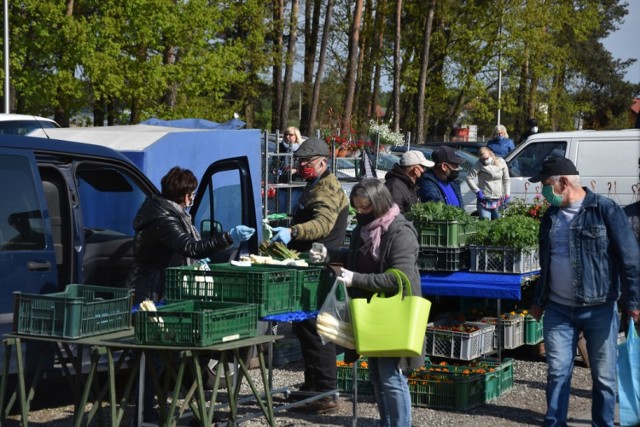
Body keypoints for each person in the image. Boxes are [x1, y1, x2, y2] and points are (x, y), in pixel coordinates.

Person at [125, 166, 255, 423]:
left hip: (163, 287)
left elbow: (186, 247)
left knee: (168, 355)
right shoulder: (163, 219)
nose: (193, 198)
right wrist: (228, 237)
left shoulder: (169, 212)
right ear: (184, 195)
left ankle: (165, 410)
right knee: (153, 357)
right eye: (192, 193)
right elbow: (189, 246)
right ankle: (144, 415)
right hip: (152, 292)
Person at [528, 156, 640, 427]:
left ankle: (601, 423)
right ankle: (555, 422)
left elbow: (630, 258)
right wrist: (539, 300)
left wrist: (633, 301)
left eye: (546, 185)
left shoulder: (605, 210)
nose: (543, 192)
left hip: (599, 307)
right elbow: (547, 262)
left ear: (563, 182)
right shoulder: (550, 216)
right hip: (558, 309)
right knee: (557, 372)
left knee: (603, 376)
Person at [309, 178, 423, 427]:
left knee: (391, 377)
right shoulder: (365, 230)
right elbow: (354, 259)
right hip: (370, 314)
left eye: (365, 208)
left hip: (394, 314)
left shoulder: (400, 233)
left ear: (379, 203)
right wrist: (328, 255)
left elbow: (397, 278)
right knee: (377, 377)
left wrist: (356, 279)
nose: (360, 213)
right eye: (357, 208)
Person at [271, 137, 350, 413]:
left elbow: (322, 225)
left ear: (322, 162)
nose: (302, 165)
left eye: (306, 161)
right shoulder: (314, 184)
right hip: (309, 266)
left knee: (319, 330)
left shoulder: (327, 188)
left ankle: (326, 393)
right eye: (299, 161)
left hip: (322, 267)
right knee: (304, 327)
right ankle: (312, 387)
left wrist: (293, 232)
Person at [465, 146, 510, 220]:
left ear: (490, 153)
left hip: (498, 200)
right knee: (485, 224)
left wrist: (507, 194)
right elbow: (469, 178)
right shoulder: (478, 164)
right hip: (484, 200)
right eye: (482, 159)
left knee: (499, 224)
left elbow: (506, 179)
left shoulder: (501, 162)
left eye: (486, 158)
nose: (485, 161)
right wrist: (477, 191)